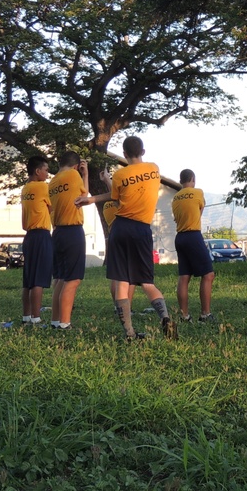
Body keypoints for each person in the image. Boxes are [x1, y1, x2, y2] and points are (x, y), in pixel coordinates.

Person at [77, 136, 177, 341]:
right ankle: (166, 318)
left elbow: (115, 195)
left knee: (122, 281)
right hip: (142, 229)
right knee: (147, 282)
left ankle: (130, 333)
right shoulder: (154, 168)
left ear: (124, 154)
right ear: (143, 151)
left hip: (121, 228)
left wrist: (90, 199)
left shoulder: (121, 175)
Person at [48, 151, 89, 330]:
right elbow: (84, 196)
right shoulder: (74, 175)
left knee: (61, 278)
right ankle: (65, 323)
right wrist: (85, 174)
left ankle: (56, 320)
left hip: (57, 232)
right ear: (75, 166)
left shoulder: (53, 181)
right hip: (72, 230)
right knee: (73, 279)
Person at [172, 169, 215, 323]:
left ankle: (184, 316)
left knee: (184, 276)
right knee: (208, 275)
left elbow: (177, 219)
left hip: (180, 237)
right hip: (193, 235)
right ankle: (205, 315)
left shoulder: (175, 198)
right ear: (192, 179)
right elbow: (199, 211)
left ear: (180, 180)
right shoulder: (198, 192)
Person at [20, 155, 53, 325]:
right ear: (37, 171)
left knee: (28, 279)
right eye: (46, 170)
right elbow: (52, 207)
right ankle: (36, 318)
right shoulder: (42, 187)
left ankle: (26, 316)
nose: (48, 173)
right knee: (39, 279)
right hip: (41, 235)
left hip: (29, 236)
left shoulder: (26, 189)